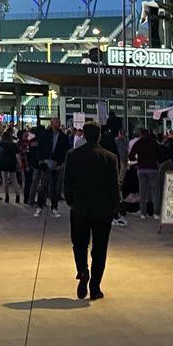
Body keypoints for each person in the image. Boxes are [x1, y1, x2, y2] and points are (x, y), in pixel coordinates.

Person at [63, 123, 120, 300]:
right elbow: (114, 186)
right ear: (99, 136)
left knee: (79, 243)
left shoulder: (73, 155)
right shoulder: (109, 158)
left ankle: (82, 270)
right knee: (100, 248)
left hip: (80, 207)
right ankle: (95, 287)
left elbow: (68, 182)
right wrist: (115, 206)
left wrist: (70, 200)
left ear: (84, 136)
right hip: (103, 210)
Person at [34, 116, 70, 218]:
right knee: (44, 185)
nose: (57, 124)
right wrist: (41, 160)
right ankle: (39, 205)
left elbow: (65, 150)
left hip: (57, 164)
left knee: (56, 187)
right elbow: (40, 148)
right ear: (51, 123)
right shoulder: (45, 135)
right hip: (46, 162)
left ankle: (54, 207)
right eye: (55, 122)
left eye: (58, 122)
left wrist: (61, 162)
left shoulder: (63, 137)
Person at [129, 126, 161, 219]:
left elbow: (131, 156)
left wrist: (137, 160)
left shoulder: (138, 143)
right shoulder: (154, 143)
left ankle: (143, 213)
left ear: (141, 134)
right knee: (155, 192)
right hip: (153, 169)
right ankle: (156, 213)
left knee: (142, 191)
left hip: (141, 169)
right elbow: (160, 154)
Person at [0, 127, 22, 203]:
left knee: (5, 180)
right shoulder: (13, 144)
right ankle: (17, 195)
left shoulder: (0, 144)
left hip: (3, 163)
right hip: (12, 162)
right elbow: (17, 154)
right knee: (14, 180)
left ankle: (7, 196)